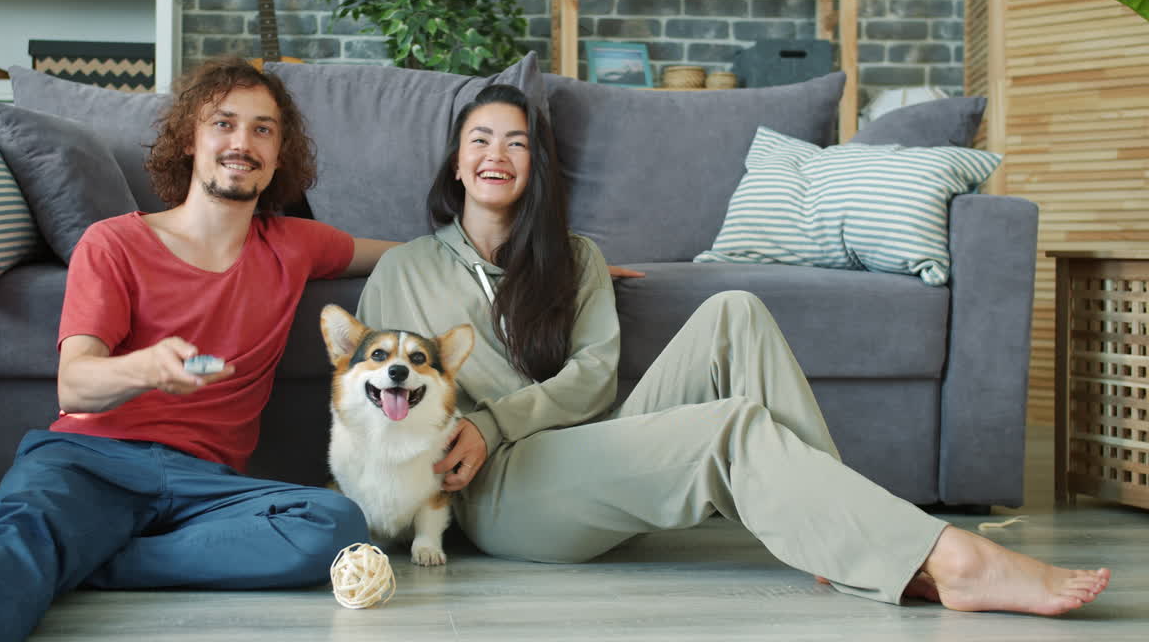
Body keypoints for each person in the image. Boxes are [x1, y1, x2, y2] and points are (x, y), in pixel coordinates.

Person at [355, 83, 1112, 616]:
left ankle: (841, 541)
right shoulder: (404, 271)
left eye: (517, 142)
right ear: (455, 164)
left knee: (736, 311)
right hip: (502, 494)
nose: (497, 154)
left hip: (585, 445)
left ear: (537, 168)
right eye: (479, 140)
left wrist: (501, 416)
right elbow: (379, 406)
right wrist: (461, 448)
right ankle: (950, 559)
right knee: (729, 427)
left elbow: (592, 380)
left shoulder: (574, 257)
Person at [0, 58, 400, 642]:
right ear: (189, 142)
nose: (242, 143)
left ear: (279, 155)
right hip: (90, 458)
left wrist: (499, 245)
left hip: (208, 484)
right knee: (31, 520)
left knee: (334, 523)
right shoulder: (115, 242)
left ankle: (84, 562)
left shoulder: (296, 245)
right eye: (223, 124)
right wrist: (144, 368)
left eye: (263, 129)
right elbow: (74, 384)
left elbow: (408, 255)